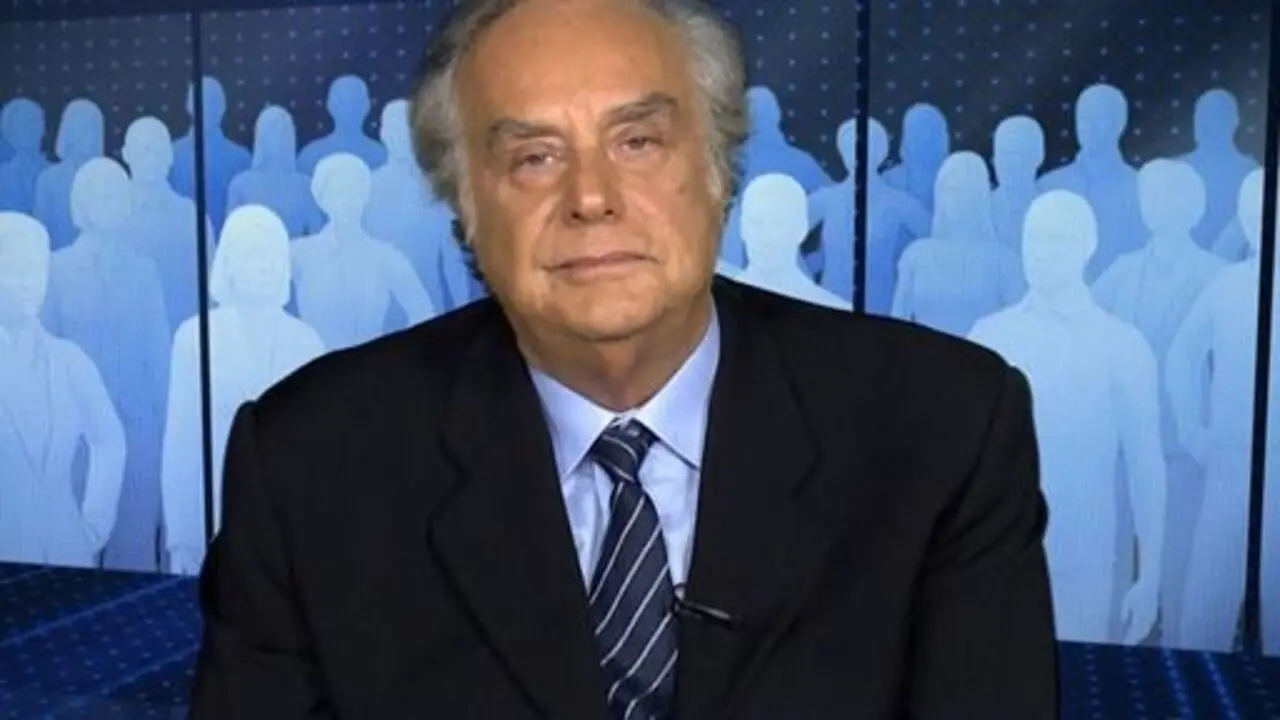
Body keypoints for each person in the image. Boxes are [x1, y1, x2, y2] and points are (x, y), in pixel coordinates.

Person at [188, 0, 1058, 718]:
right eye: (533, 157)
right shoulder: (307, 461)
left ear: (717, 173)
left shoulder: (946, 429)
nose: (591, 198)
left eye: (638, 142)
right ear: (465, 208)